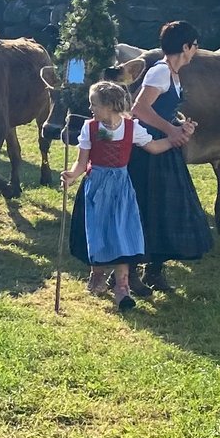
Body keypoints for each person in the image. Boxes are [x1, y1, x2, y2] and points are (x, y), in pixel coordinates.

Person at [63, 80, 179, 311]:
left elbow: (154, 147)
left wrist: (175, 139)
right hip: (97, 187)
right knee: (100, 232)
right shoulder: (91, 128)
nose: (91, 109)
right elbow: (82, 161)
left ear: (109, 106)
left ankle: (122, 287)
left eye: (94, 104)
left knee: (122, 233)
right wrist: (72, 176)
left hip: (121, 188)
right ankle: (97, 275)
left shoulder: (131, 128)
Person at [128, 21, 215, 295]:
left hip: (165, 149)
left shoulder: (173, 74)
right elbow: (139, 108)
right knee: (145, 207)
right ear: (186, 46)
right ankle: (129, 273)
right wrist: (171, 130)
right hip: (147, 152)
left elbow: (162, 109)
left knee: (164, 207)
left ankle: (155, 270)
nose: (196, 51)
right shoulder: (160, 72)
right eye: (194, 45)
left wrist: (181, 125)